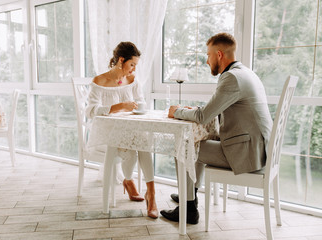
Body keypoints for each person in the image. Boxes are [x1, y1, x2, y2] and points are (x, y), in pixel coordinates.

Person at [160, 33, 273, 224]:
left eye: (208, 55)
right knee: (197, 143)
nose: (207, 60)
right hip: (258, 149)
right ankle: (190, 195)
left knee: (184, 146)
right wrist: (194, 110)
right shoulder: (245, 72)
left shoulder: (231, 77)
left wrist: (177, 111)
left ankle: (188, 209)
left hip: (246, 154)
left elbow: (204, 116)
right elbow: (212, 109)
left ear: (219, 55)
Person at [86, 41, 158, 219]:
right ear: (121, 60)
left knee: (143, 143)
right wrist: (118, 106)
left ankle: (151, 194)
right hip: (107, 132)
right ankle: (129, 180)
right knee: (133, 150)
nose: (134, 70)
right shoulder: (99, 81)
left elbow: (141, 102)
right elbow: (90, 112)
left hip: (129, 129)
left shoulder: (132, 80)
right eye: (132, 64)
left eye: (136, 65)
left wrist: (135, 107)